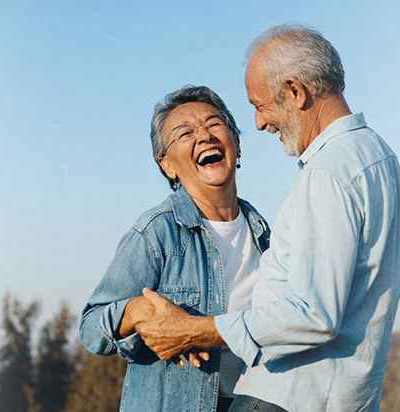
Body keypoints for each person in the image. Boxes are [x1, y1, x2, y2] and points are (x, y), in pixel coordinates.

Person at [134, 24, 400, 412]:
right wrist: (340, 294)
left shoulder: (327, 172)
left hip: (282, 395)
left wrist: (193, 331)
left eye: (260, 105)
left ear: (295, 91)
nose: (259, 122)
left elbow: (314, 316)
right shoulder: (379, 155)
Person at [79, 85, 271, 412]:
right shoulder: (156, 233)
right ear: (167, 165)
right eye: (185, 133)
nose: (205, 136)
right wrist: (135, 310)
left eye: (214, 124)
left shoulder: (263, 234)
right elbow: (90, 327)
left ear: (237, 145)